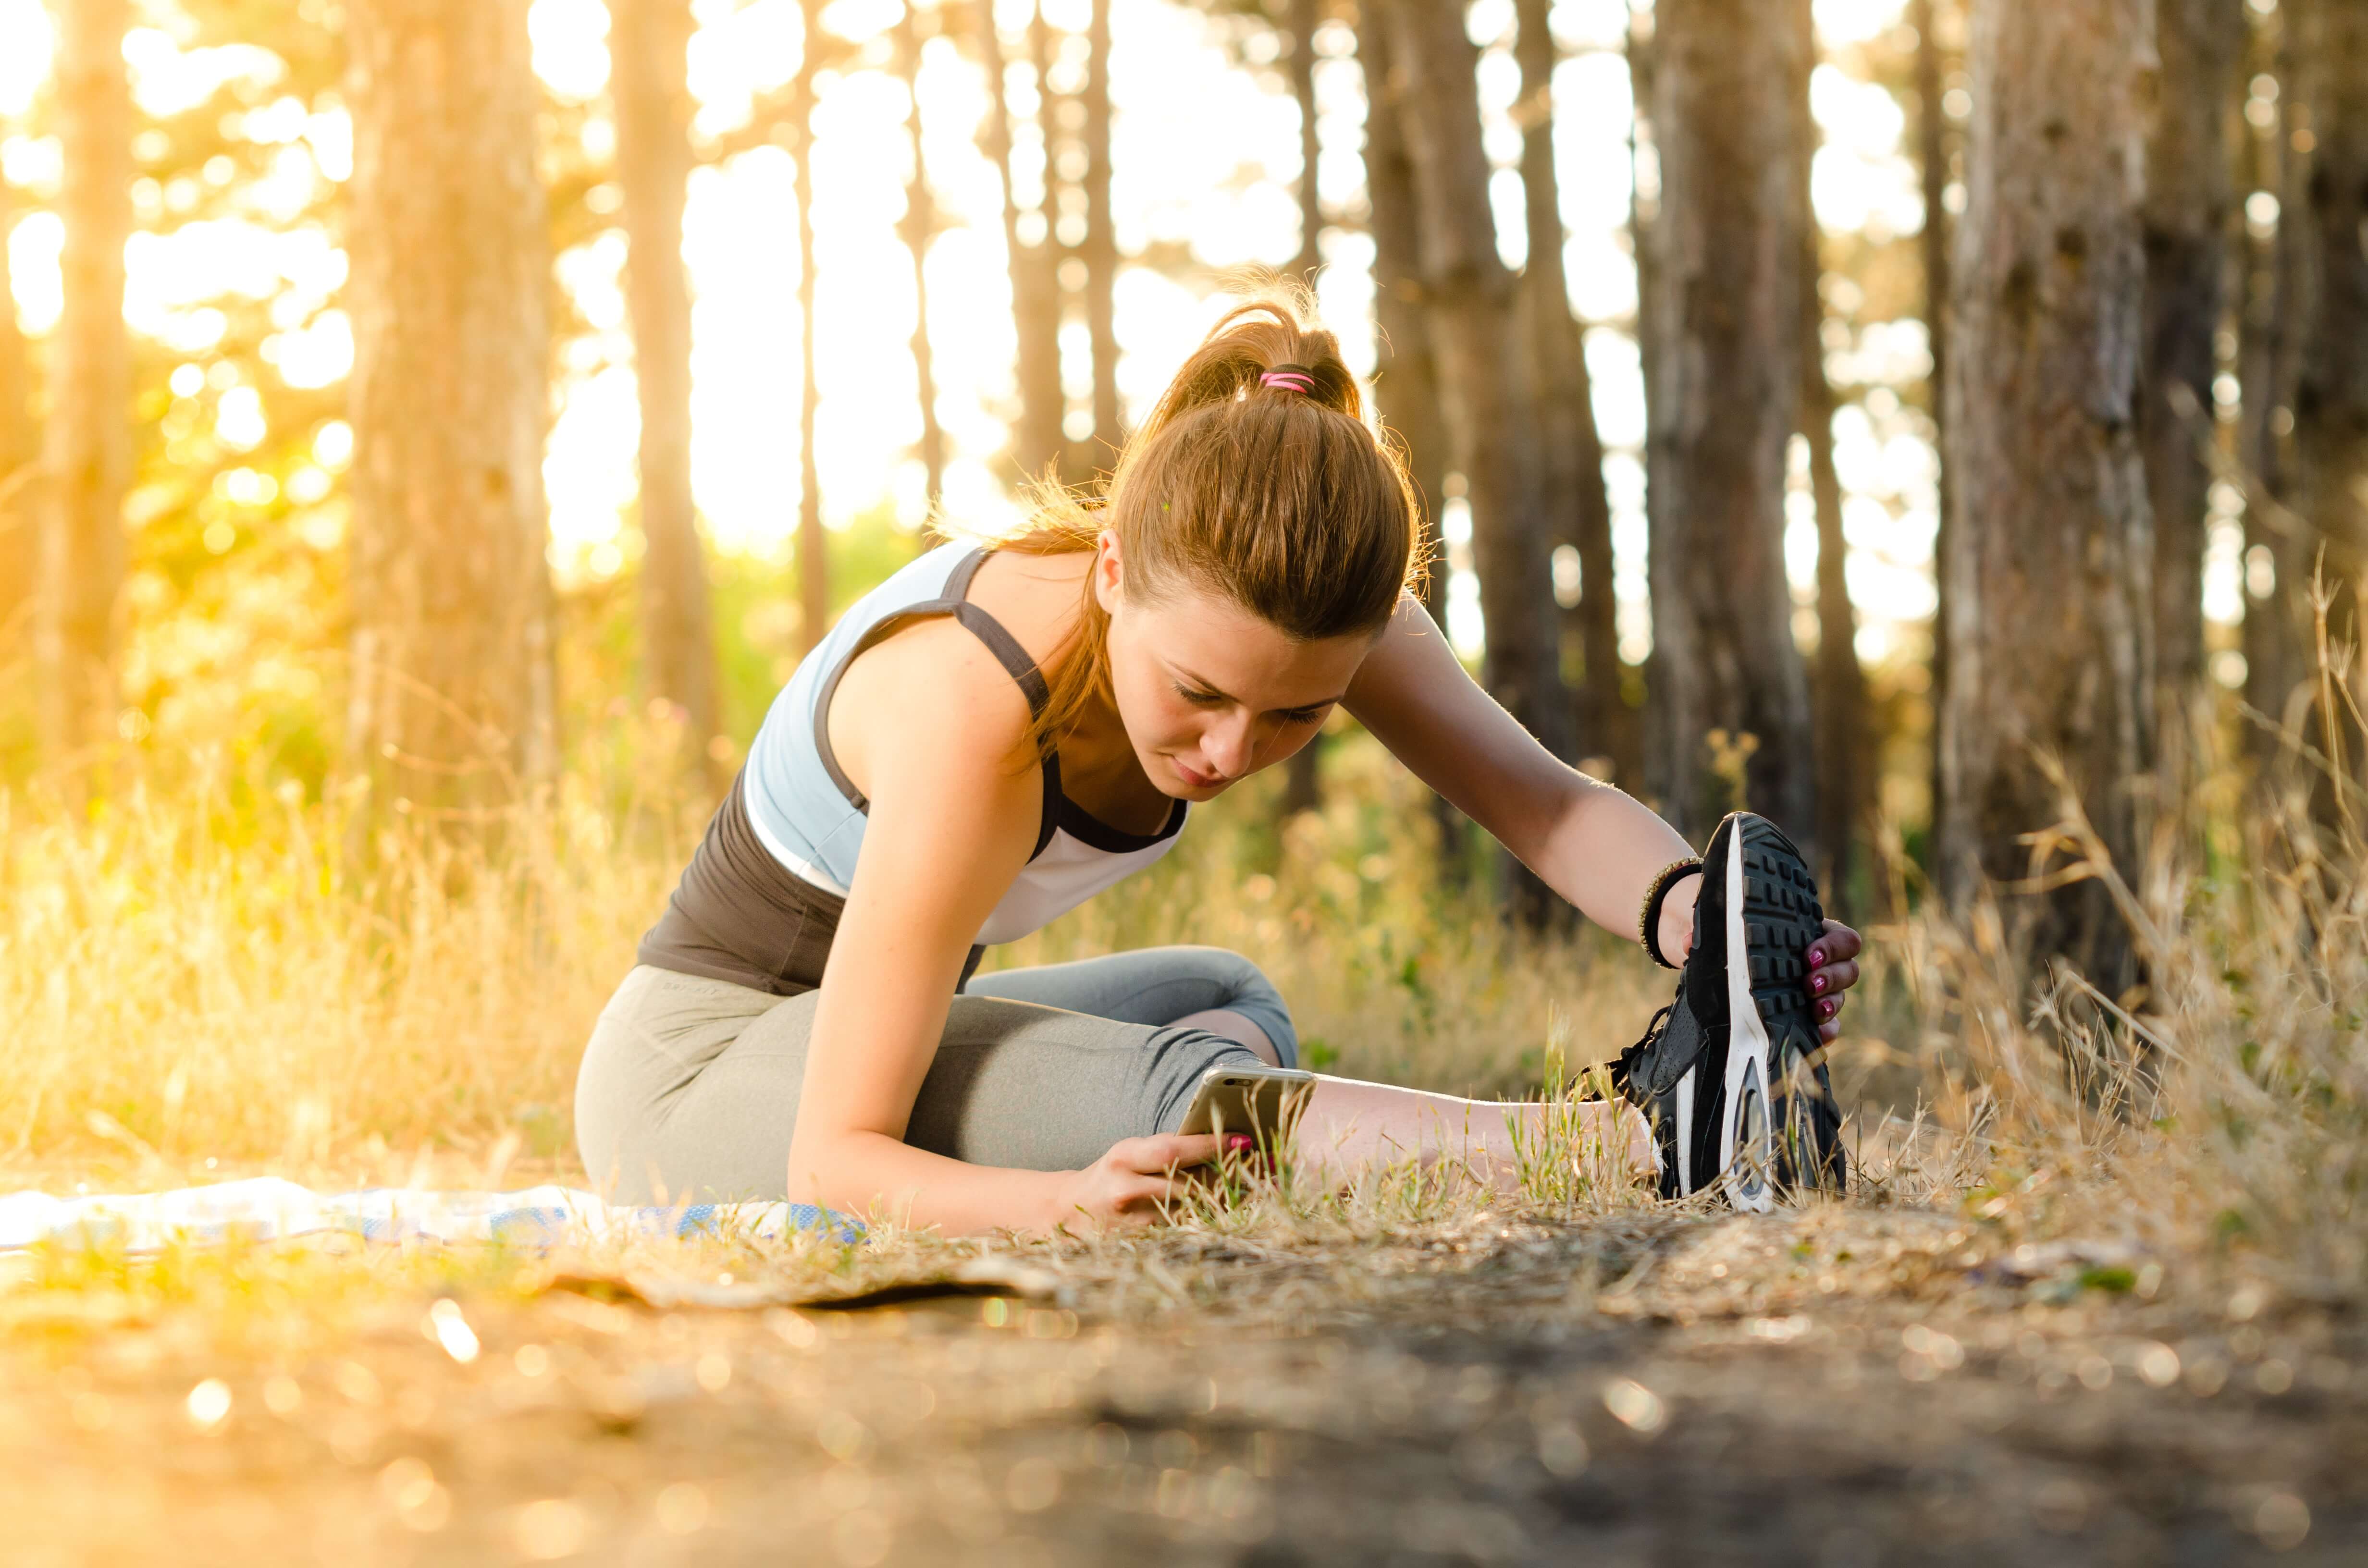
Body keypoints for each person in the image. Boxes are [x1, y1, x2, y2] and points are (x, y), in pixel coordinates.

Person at [573, 297, 1865, 1231]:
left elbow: (1547, 806)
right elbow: (833, 1161)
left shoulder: (1304, 608)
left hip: (855, 1038)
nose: (1233, 751)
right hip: (693, 1085)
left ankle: (1699, 1101)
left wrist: (1700, 922)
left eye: (1297, 718)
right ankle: (1641, 1146)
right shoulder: (975, 709)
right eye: (1199, 694)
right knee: (1188, 1097)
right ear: (1113, 572)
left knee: (1226, 996)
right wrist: (1056, 1200)